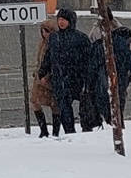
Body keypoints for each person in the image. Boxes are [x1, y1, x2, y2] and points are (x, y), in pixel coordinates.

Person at [37, 9, 94, 137]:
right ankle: (70, 132)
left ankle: (87, 131)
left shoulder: (81, 38)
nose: (61, 22)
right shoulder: (54, 37)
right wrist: (42, 72)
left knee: (85, 106)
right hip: (60, 78)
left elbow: (89, 60)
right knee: (64, 107)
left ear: (71, 21)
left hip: (77, 78)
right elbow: (48, 56)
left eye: (64, 19)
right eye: (59, 19)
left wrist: (88, 77)